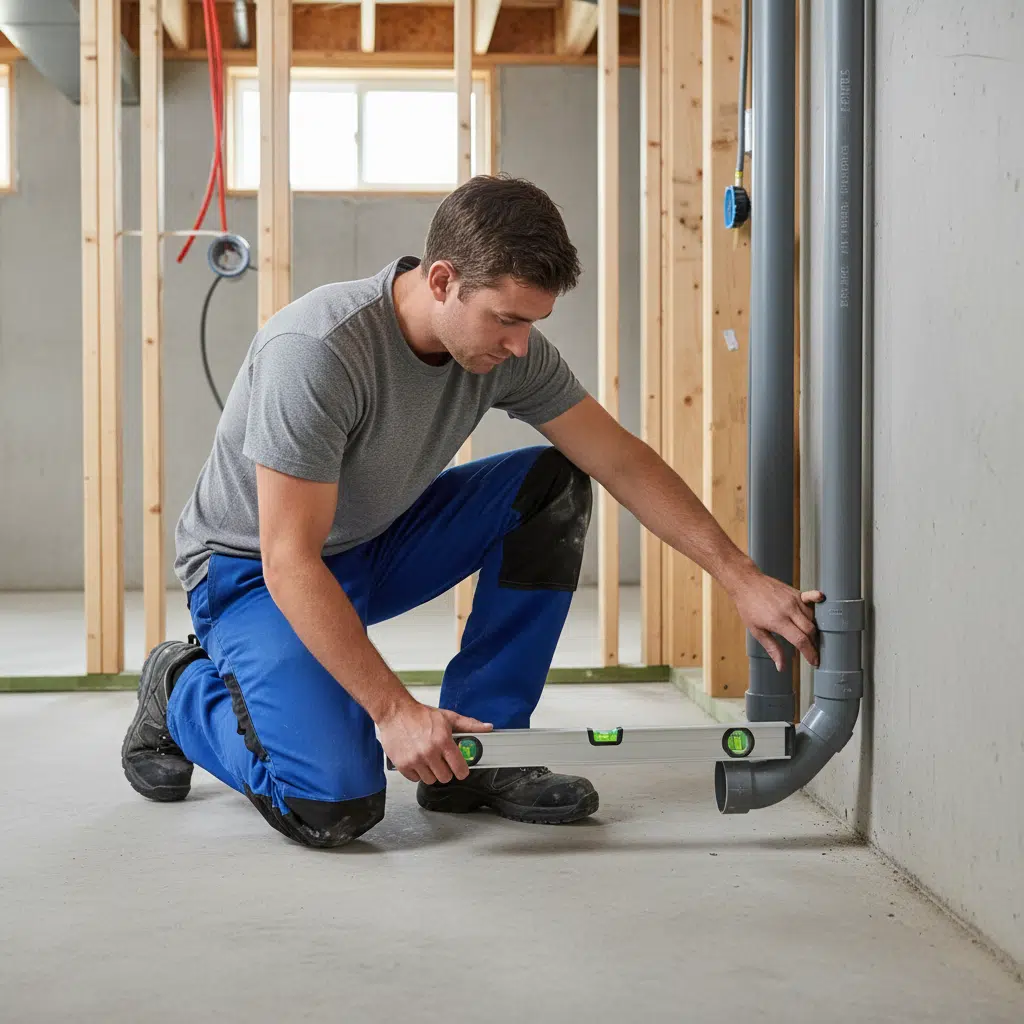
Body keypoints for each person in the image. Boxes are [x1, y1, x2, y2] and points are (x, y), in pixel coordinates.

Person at [120, 174, 823, 849]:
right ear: (442, 280)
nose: (520, 345)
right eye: (508, 320)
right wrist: (395, 712)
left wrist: (741, 577)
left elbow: (619, 459)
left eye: (532, 323)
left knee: (553, 480)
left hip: (375, 542)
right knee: (330, 804)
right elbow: (288, 560)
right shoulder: (317, 352)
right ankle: (177, 689)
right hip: (252, 575)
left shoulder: (506, 349)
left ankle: (484, 750)